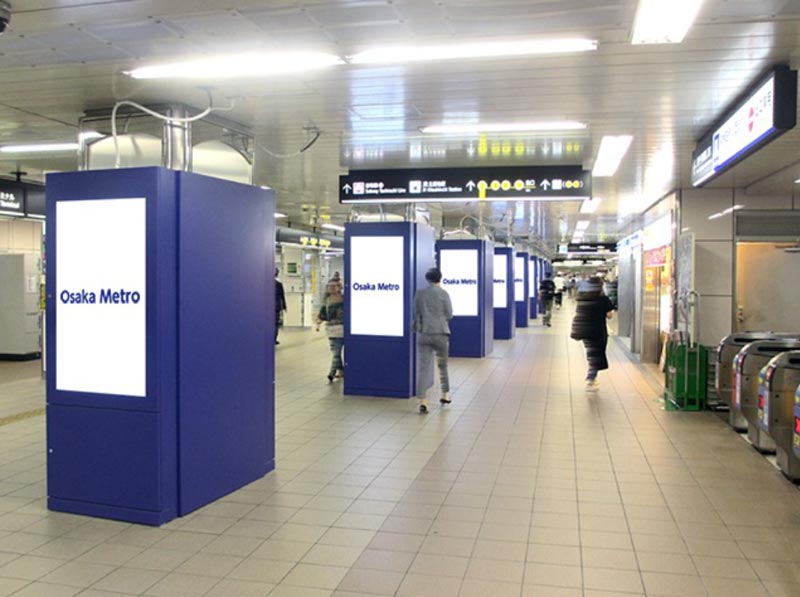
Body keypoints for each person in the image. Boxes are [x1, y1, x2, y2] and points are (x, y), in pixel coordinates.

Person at [414, 267, 453, 414]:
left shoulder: (420, 294)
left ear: (427, 279)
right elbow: (449, 314)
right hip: (441, 333)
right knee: (443, 365)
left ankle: (423, 401)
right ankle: (445, 395)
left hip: (424, 333)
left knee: (423, 368)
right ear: (440, 278)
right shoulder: (444, 294)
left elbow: (416, 314)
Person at [570, 276, 615, 390]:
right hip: (598, 330)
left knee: (592, 353)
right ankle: (591, 378)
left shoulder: (583, 298)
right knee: (597, 354)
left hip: (585, 329)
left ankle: (592, 377)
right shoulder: (603, 299)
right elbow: (610, 315)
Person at [316, 280, 345, 383]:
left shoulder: (345, 299)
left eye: (334, 286)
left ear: (339, 287)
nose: (332, 288)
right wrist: (318, 322)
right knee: (335, 352)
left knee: (336, 353)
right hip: (331, 329)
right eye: (330, 286)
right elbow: (323, 313)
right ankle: (341, 371)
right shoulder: (327, 300)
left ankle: (331, 373)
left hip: (342, 328)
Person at [275, 268, 287, 345]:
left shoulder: (264, 283)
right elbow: (282, 296)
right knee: (275, 324)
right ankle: (273, 339)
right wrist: (284, 307)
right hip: (276, 307)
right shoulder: (279, 284)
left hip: (268, 308)